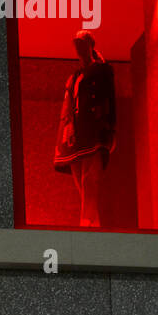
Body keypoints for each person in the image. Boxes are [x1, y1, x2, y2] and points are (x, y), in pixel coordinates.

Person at [53, 30, 116, 229]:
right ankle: (91, 222)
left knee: (91, 178)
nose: (79, 48)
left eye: (83, 43)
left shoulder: (102, 70)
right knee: (79, 179)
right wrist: (66, 127)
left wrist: (111, 128)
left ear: (90, 45)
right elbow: (68, 104)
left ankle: (87, 221)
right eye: (77, 44)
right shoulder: (74, 77)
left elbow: (110, 100)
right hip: (75, 133)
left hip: (93, 130)